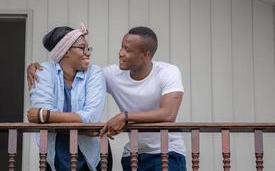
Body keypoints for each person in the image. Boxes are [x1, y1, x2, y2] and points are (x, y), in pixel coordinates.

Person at [28, 26, 186, 171]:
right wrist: (36, 67)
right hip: (132, 155)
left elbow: (168, 114)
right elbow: (76, 75)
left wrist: (45, 115)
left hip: (168, 152)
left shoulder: (168, 72)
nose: (121, 53)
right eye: (122, 47)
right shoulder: (111, 74)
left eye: (127, 50)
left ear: (145, 55)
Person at [27, 23, 112, 171]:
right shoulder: (42, 71)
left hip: (92, 155)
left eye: (88, 48)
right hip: (55, 153)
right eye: (82, 48)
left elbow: (91, 117)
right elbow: (86, 122)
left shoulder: (95, 73)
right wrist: (83, 128)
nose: (88, 52)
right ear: (65, 51)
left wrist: (44, 115)